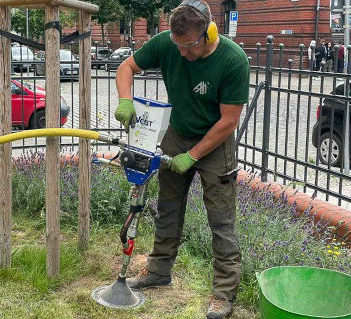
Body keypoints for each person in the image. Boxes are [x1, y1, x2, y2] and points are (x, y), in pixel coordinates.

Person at [112, 0, 249, 318]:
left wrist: (194, 155)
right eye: (178, 45)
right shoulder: (166, 43)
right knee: (168, 208)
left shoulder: (233, 60)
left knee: (221, 222)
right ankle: (158, 271)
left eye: (188, 47)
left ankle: (224, 294)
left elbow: (228, 121)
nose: (182, 54)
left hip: (216, 144)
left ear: (209, 33)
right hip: (177, 134)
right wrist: (124, 99)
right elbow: (126, 68)